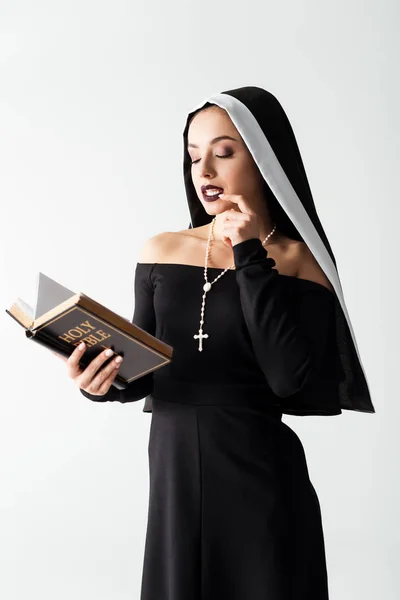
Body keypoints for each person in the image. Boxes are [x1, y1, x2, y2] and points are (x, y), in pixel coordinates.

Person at [62, 86, 375, 599]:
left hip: (262, 484)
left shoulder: (301, 262)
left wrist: (249, 253)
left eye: (223, 153)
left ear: (264, 160)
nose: (204, 170)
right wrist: (99, 383)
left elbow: (288, 378)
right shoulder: (162, 249)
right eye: (193, 156)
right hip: (174, 482)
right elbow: (147, 368)